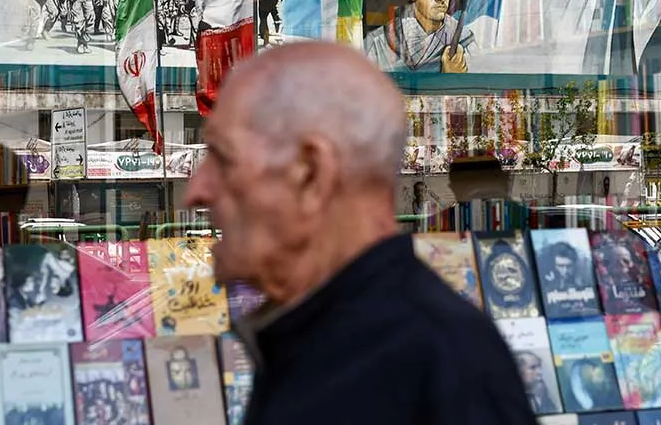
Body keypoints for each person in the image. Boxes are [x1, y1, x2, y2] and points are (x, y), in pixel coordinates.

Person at [184, 41, 534, 424]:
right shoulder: (324, 337)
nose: (195, 191)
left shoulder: (438, 360)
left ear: (311, 174)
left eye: (222, 158)